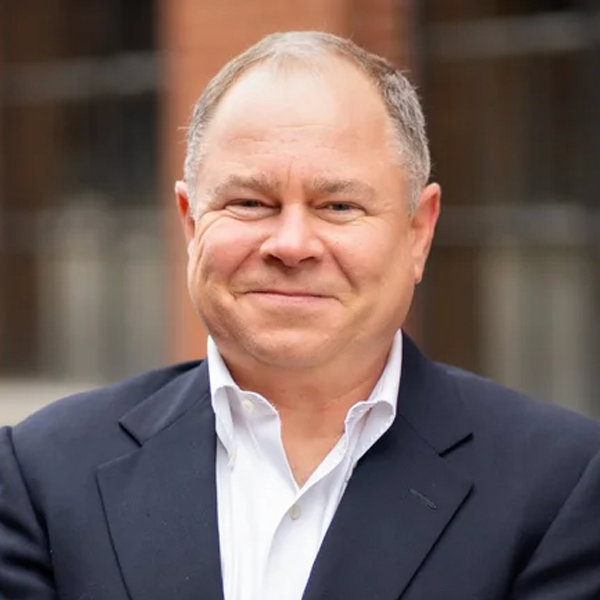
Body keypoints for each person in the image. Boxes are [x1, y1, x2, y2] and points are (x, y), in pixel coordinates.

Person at [1, 30, 600, 600]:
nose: (291, 245)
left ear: (418, 232)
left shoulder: (562, 486)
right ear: (190, 223)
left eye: (338, 205)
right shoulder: (40, 477)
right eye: (249, 203)